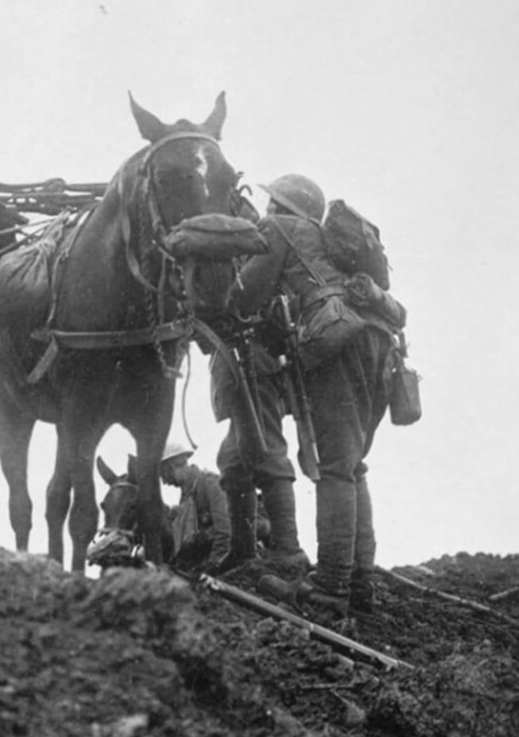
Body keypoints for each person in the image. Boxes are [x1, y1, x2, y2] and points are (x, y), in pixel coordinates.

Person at [225, 173, 404, 618]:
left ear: (283, 207)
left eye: (272, 205)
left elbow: (244, 298)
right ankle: (359, 583)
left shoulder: (280, 229)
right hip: (381, 344)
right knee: (352, 465)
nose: (265, 213)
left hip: (339, 340)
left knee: (335, 469)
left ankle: (329, 589)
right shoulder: (332, 247)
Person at [208, 329, 308, 576]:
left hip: (253, 359)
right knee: (233, 461)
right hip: (236, 359)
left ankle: (288, 550)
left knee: (268, 451)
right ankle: (243, 550)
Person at [159, 442, 231, 570]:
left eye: (164, 475)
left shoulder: (211, 484)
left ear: (172, 466)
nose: (164, 482)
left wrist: (213, 567)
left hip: (222, 560)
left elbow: (225, 532)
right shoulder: (185, 496)